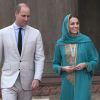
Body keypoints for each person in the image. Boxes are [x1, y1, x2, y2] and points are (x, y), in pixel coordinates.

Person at [0, 3, 45, 100]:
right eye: (23, 15)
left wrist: (37, 78)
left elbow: (39, 57)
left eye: (28, 16)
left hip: (27, 81)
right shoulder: (2, 33)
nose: (26, 19)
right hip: (8, 80)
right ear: (16, 14)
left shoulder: (36, 33)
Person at [53, 14, 99, 100]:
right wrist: (63, 68)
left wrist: (85, 65)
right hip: (67, 83)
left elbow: (95, 60)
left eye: (77, 23)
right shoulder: (60, 43)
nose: (75, 26)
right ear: (66, 26)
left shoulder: (86, 41)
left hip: (83, 82)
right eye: (72, 24)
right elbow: (55, 64)